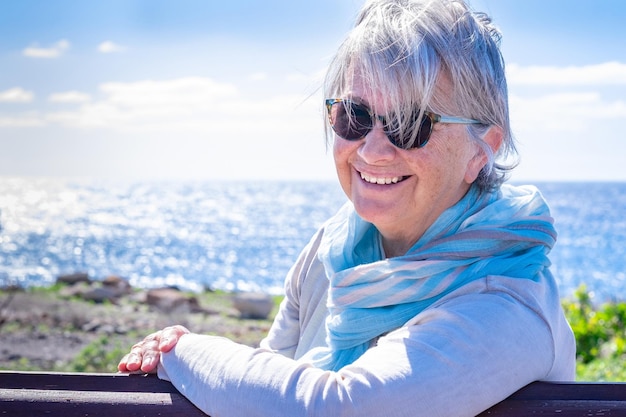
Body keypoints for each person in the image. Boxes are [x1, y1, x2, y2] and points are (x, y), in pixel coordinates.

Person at [118, 0, 576, 415]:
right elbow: (268, 375)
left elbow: (341, 409)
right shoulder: (331, 251)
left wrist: (181, 349)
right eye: (353, 115)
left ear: (483, 148)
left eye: (410, 123)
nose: (373, 150)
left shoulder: (508, 302)